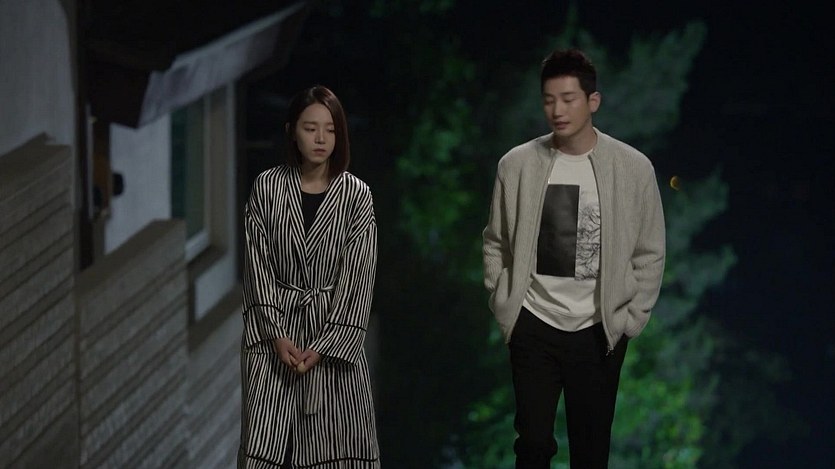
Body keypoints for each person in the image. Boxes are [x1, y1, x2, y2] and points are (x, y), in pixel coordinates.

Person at [482, 49, 666, 468]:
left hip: (599, 329)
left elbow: (650, 250)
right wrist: (504, 301)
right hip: (534, 322)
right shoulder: (516, 164)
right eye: (549, 100)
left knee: (591, 450)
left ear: (592, 101)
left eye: (568, 99)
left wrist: (630, 319)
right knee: (532, 445)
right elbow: (495, 240)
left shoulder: (633, 168)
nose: (557, 110)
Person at [239, 85, 380, 468]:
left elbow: (359, 277)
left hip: (332, 343)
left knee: (336, 450)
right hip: (275, 341)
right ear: (292, 132)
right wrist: (276, 334)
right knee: (269, 447)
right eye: (310, 128)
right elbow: (257, 266)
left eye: (330, 130)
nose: (321, 139)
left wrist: (324, 345)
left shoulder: (356, 196)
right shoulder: (267, 188)